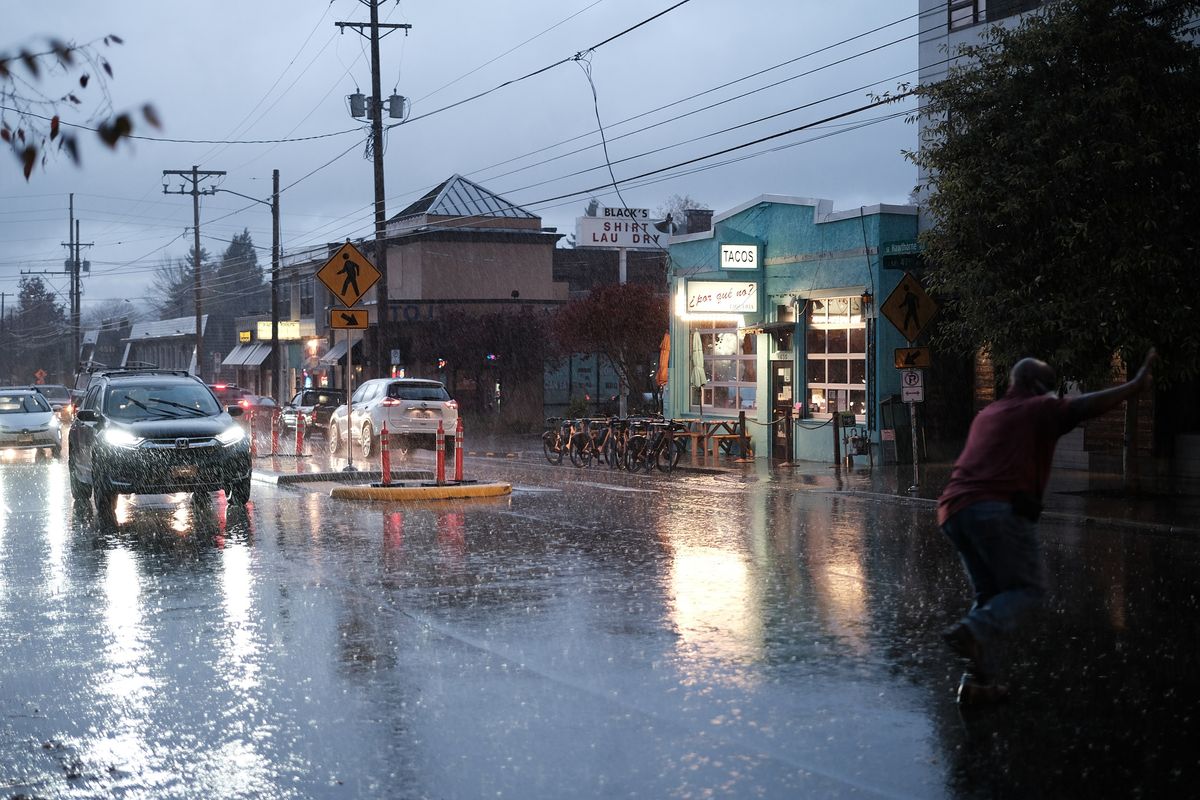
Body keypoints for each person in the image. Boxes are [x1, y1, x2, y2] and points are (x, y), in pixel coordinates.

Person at [938, 348, 1157, 703]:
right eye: (1051, 386)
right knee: (1028, 590)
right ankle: (971, 631)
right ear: (1036, 386)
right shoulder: (1038, 409)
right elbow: (1085, 406)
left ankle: (977, 682)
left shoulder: (989, 412)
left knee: (991, 598)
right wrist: (1133, 386)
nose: (1055, 393)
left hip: (953, 510)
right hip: (996, 509)